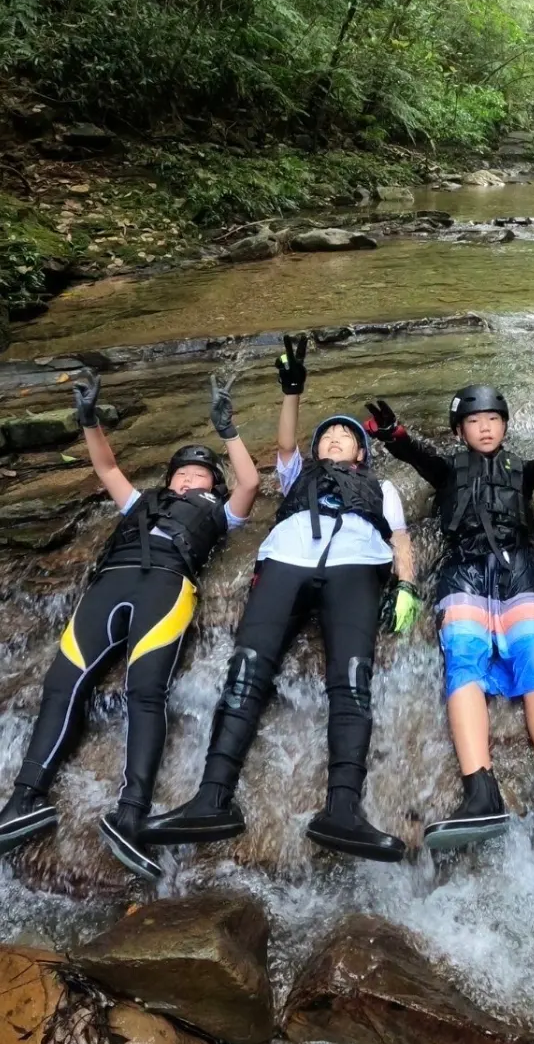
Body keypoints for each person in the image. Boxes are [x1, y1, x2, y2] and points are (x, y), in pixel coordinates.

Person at [143, 334, 418, 862]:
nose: (334, 439)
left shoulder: (381, 489)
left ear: (362, 452)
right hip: (284, 564)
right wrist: (292, 391)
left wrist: (405, 584)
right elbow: (287, 445)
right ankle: (212, 798)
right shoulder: (297, 475)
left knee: (352, 680)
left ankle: (344, 809)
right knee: (247, 670)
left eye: (345, 436)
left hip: (356, 567)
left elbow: (400, 538)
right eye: (327, 435)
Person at [0, 370, 259, 881]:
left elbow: (250, 482)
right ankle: (26, 798)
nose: (189, 479)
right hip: (109, 587)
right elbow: (106, 466)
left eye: (200, 475)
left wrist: (228, 430)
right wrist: (89, 418)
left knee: (146, 692)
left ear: (213, 485)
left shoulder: (222, 514)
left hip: (166, 587)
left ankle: (132, 812)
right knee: (62, 683)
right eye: (181, 473)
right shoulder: (141, 504)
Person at [363, 379, 534, 849]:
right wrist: (393, 435)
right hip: (463, 571)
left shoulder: (519, 470)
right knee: (463, 661)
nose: (485, 427)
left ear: (505, 427)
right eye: (473, 421)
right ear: (459, 431)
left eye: (493, 419)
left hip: (519, 570)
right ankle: (480, 792)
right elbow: (418, 458)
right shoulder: (449, 470)